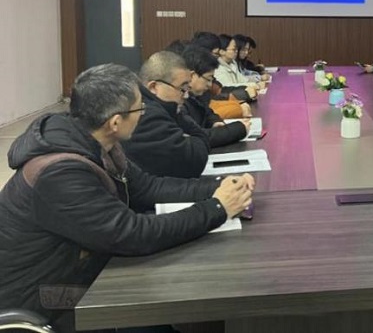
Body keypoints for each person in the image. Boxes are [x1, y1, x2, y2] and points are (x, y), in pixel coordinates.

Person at [0, 64, 254, 333]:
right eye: (139, 108)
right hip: (44, 298)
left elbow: (147, 187)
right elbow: (132, 234)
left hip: (79, 270)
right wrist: (217, 208)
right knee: (163, 299)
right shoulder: (61, 173)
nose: (144, 113)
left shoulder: (93, 140)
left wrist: (220, 186)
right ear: (115, 122)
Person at [124, 51, 211, 178]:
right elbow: (194, 160)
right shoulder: (148, 115)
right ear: (154, 87)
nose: (186, 95)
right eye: (182, 89)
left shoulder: (161, 107)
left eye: (187, 89)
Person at [182, 46, 250, 147]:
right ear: (192, 76)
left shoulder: (198, 95)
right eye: (208, 79)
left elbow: (208, 113)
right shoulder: (179, 101)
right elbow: (197, 136)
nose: (210, 85)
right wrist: (238, 129)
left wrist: (215, 122)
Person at [214, 34, 261, 100]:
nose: (236, 51)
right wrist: (251, 85)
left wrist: (254, 83)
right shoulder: (217, 67)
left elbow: (242, 79)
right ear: (222, 52)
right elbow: (227, 86)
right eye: (234, 49)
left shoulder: (233, 63)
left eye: (236, 49)